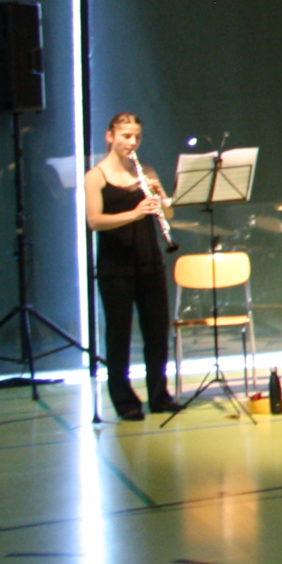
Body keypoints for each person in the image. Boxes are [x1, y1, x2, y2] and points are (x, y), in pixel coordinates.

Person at [87, 112, 178, 420]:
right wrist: (136, 213)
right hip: (115, 265)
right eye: (126, 136)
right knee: (119, 333)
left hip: (149, 259)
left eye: (137, 136)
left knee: (157, 331)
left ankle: (159, 395)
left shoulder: (146, 171)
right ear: (110, 136)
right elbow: (95, 221)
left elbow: (169, 215)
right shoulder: (96, 176)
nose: (132, 142)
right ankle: (124, 400)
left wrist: (162, 196)